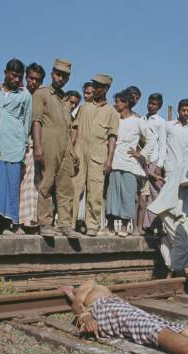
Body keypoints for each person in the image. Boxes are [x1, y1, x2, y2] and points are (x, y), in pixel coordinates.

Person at [60, 280, 188, 354]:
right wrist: (86, 316)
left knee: (181, 331)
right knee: (154, 330)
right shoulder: (87, 285)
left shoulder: (94, 286)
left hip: (118, 308)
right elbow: (77, 304)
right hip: (108, 308)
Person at [32, 58, 81, 238]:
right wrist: (38, 146)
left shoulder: (65, 100)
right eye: (58, 74)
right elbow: (36, 121)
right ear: (52, 74)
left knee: (66, 187)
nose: (60, 79)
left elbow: (68, 128)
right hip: (48, 144)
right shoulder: (42, 94)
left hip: (65, 147)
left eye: (64, 76)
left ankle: (65, 225)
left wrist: (72, 152)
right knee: (46, 183)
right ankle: (45, 223)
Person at [71, 74, 119, 236]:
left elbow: (112, 136)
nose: (95, 89)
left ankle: (92, 224)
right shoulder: (84, 107)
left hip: (99, 153)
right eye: (94, 85)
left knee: (95, 190)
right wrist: (71, 150)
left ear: (105, 89)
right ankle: (69, 223)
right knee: (74, 187)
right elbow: (75, 129)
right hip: (79, 151)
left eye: (98, 86)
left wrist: (110, 159)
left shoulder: (112, 112)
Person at [149, 148, 188, 277]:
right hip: (170, 208)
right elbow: (183, 184)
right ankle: (176, 270)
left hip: (177, 208)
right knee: (181, 241)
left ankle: (181, 265)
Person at [105, 91, 153, 237]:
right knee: (112, 196)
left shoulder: (138, 121)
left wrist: (141, 154)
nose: (115, 104)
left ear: (125, 103)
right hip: (115, 162)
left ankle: (125, 227)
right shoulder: (115, 120)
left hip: (130, 164)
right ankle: (110, 226)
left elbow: (152, 139)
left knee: (128, 195)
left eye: (118, 101)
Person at [0, 58, 32, 235]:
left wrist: (24, 146)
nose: (16, 79)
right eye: (13, 75)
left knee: (14, 185)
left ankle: (14, 223)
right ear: (6, 73)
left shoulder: (25, 95)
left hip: (16, 144)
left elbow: (26, 122)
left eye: (19, 77)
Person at [19, 62, 45, 231]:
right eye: (31, 78)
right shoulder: (20, 94)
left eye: (37, 80)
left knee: (34, 183)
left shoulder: (41, 97)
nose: (33, 82)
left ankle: (31, 221)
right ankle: (20, 220)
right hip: (19, 143)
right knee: (21, 181)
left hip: (36, 145)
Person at [142, 92, 167, 234]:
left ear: (159, 106)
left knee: (155, 193)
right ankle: (146, 225)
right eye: (150, 103)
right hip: (142, 159)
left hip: (154, 159)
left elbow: (162, 144)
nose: (151, 106)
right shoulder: (143, 119)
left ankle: (156, 224)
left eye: (154, 104)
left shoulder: (160, 122)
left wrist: (159, 165)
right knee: (144, 193)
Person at [164, 99, 188, 180]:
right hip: (170, 167)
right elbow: (162, 145)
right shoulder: (168, 125)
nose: (186, 113)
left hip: (184, 169)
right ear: (178, 110)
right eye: (183, 110)